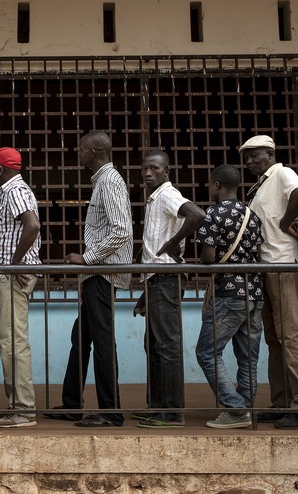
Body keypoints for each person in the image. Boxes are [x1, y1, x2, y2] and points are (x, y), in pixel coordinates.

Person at [45, 131, 132, 428]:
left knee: (103, 341)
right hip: (96, 274)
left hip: (102, 273)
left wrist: (87, 258)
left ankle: (111, 410)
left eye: (81, 149)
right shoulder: (103, 182)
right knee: (80, 339)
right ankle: (72, 404)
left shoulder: (109, 182)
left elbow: (121, 230)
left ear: (94, 152)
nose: (77, 153)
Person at [239, 135, 298, 429]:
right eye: (246, 157)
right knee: (274, 338)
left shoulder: (282, 173)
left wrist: (285, 224)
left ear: (270, 154)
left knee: (289, 336)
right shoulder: (259, 185)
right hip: (267, 265)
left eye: (254, 156)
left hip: (283, 264)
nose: (249, 162)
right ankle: (282, 400)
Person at [135, 150, 204, 429]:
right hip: (155, 278)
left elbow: (196, 214)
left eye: (154, 168)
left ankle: (172, 412)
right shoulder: (155, 198)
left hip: (166, 278)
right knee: (153, 345)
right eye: (144, 169)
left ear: (166, 171)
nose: (148, 173)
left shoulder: (167, 194)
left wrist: (176, 243)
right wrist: (144, 292)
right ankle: (157, 406)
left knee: (166, 346)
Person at [195, 164, 265, 429]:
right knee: (248, 356)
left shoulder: (212, 214)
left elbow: (209, 257)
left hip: (229, 292)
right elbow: (256, 251)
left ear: (216, 185)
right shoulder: (252, 215)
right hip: (254, 292)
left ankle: (236, 410)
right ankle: (244, 409)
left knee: (206, 352)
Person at [0, 147, 42, 429]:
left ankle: (24, 410)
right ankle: (16, 405)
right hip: (9, 273)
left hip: (12, 275)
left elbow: (31, 225)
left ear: (0, 168)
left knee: (13, 342)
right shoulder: (9, 190)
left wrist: (15, 263)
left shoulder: (15, 190)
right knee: (9, 340)